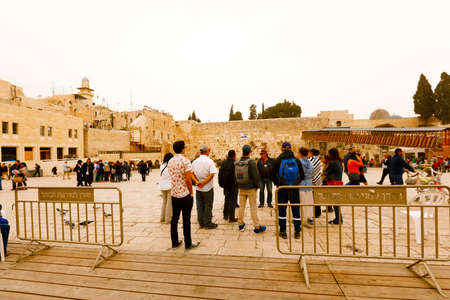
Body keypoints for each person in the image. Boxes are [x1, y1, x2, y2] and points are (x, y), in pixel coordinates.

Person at [167, 141, 199, 249]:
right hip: (185, 194)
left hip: (174, 194)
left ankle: (174, 242)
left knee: (174, 219)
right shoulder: (185, 161)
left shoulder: (170, 161)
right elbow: (188, 180)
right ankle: (188, 243)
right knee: (186, 219)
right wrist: (191, 192)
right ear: (182, 149)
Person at [272, 142, 305, 239]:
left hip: (282, 189)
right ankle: (297, 231)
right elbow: (302, 175)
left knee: (282, 210)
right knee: (296, 210)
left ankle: (283, 231)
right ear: (291, 148)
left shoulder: (278, 160)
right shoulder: (297, 160)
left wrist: (280, 183)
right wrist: (295, 183)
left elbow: (273, 175)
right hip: (294, 189)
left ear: (282, 149)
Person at [235, 145, 267, 234]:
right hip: (251, 188)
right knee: (253, 207)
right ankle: (257, 226)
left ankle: (240, 224)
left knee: (241, 207)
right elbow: (256, 176)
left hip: (241, 187)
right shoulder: (251, 162)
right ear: (250, 152)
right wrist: (257, 186)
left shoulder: (237, 162)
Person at [192, 146, 218, 229]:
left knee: (199, 206)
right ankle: (207, 223)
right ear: (207, 152)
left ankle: (201, 222)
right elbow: (212, 174)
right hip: (208, 188)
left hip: (198, 188)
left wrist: (197, 182)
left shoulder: (195, 162)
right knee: (208, 205)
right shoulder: (210, 161)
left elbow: (191, 173)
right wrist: (204, 183)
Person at [323, 148, 344, 224]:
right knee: (336, 202)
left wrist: (325, 163)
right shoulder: (338, 161)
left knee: (335, 202)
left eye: (329, 154)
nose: (328, 155)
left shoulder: (333, 163)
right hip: (337, 183)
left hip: (333, 184)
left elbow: (325, 172)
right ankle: (338, 218)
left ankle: (339, 219)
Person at [218, 150, 238, 222]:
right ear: (234, 155)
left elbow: (220, 174)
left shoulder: (223, 163)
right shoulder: (235, 164)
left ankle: (225, 215)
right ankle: (231, 217)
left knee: (227, 200)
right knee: (233, 202)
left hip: (226, 186)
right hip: (233, 186)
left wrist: (221, 184)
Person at [298, 147, 314, 225]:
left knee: (301, 201)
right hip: (309, 184)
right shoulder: (310, 163)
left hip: (301, 184)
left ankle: (301, 218)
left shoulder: (298, 162)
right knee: (309, 201)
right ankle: (309, 217)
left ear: (300, 153)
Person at [308, 148, 323, 218]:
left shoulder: (311, 160)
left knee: (312, 198)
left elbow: (311, 170)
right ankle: (317, 212)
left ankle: (315, 212)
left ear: (311, 153)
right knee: (316, 197)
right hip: (317, 181)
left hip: (312, 182)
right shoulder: (318, 160)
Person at [159, 153, 173, 223]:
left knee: (164, 202)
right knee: (169, 203)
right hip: (169, 185)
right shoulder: (170, 166)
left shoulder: (161, 165)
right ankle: (168, 219)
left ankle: (162, 218)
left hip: (162, 185)